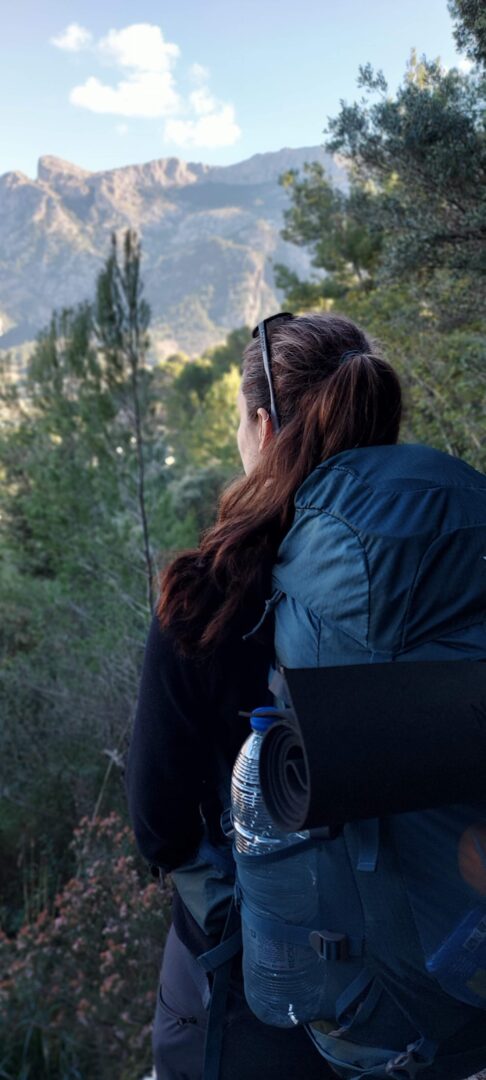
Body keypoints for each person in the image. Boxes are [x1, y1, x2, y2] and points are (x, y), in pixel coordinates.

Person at [125, 310, 409, 1079]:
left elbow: (158, 823)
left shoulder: (206, 598)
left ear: (262, 426)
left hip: (263, 984)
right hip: (420, 965)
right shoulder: (433, 585)